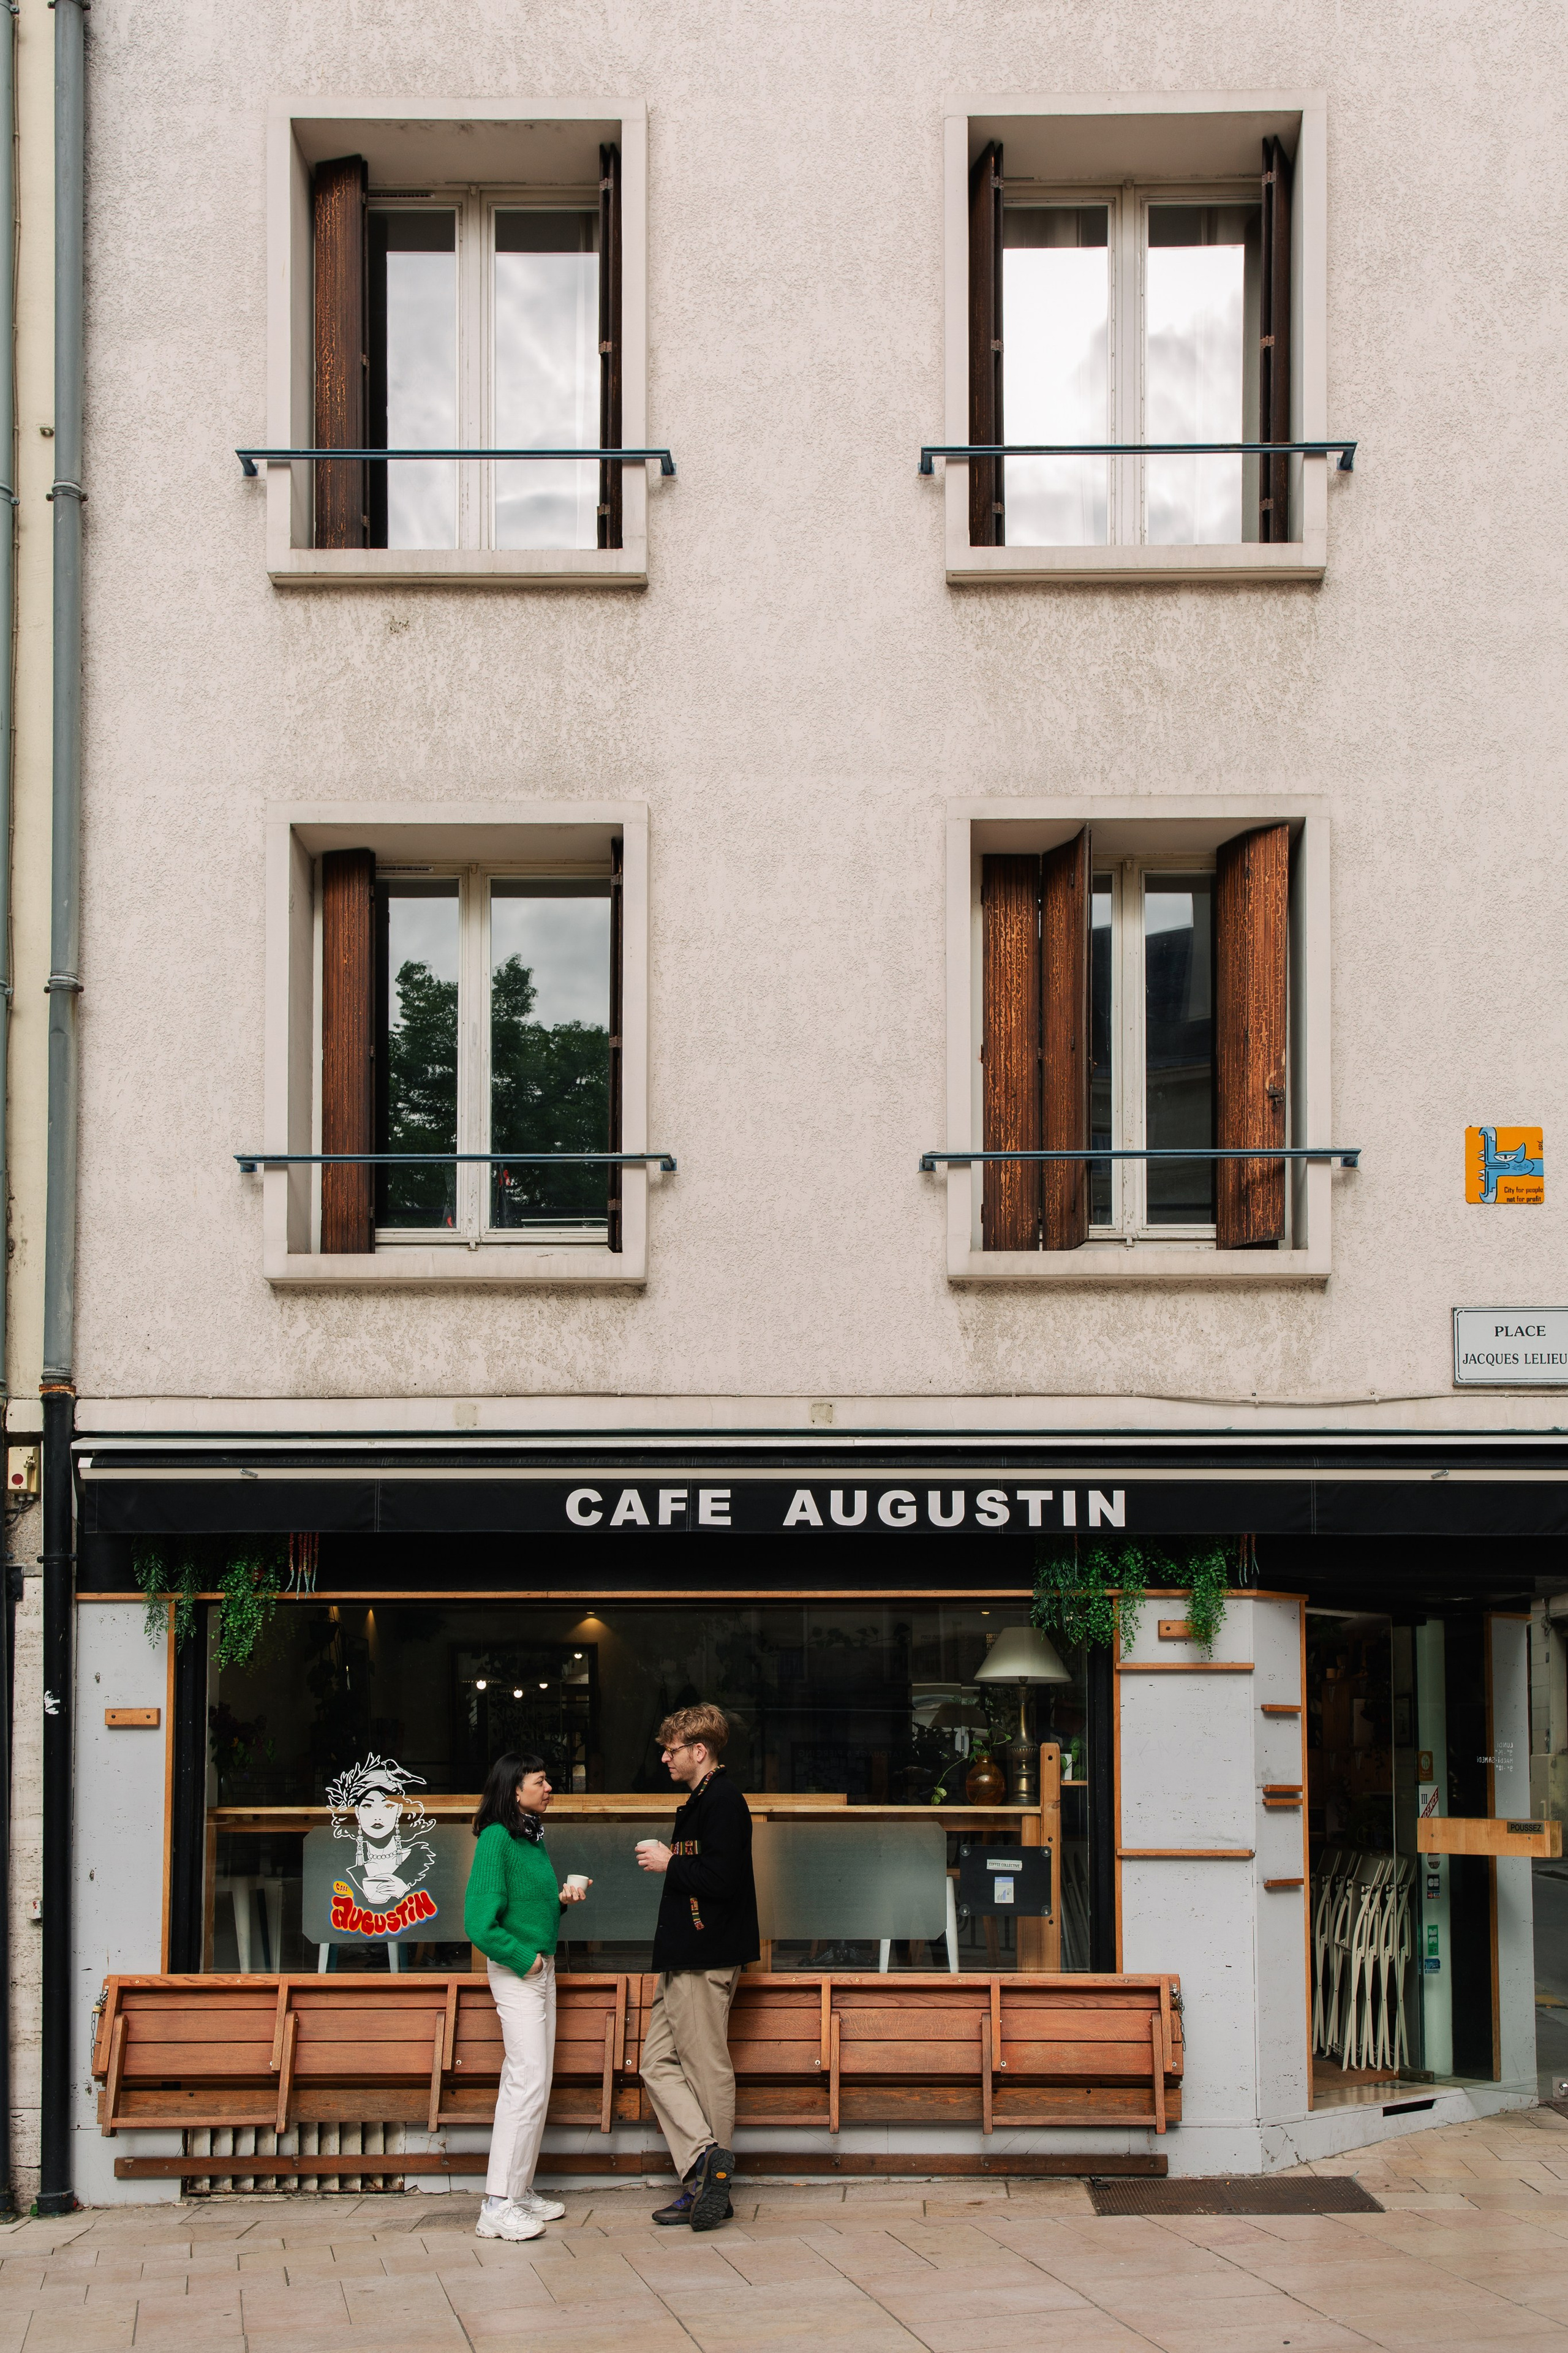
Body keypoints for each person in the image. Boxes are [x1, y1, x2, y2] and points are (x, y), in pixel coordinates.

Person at [634, 1703, 759, 2230]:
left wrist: (670, 1862)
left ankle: (712, 2187)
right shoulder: (701, 1800)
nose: (665, 1757)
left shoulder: (723, 1799)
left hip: (705, 1958)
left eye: (672, 1749)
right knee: (656, 2062)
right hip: (684, 1956)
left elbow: (724, 1879)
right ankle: (707, 2161)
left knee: (706, 2067)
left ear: (699, 1750)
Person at [464, 1750, 591, 2242]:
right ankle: (497, 2204)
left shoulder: (531, 1838)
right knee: (526, 2081)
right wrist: (528, 1961)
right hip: (521, 1973)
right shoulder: (498, 1838)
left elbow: (529, 1913)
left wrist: (562, 1903)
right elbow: (479, 1923)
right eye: (541, 1781)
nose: (550, 1787)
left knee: (535, 2082)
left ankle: (518, 2190)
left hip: (539, 1969)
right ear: (515, 1790)